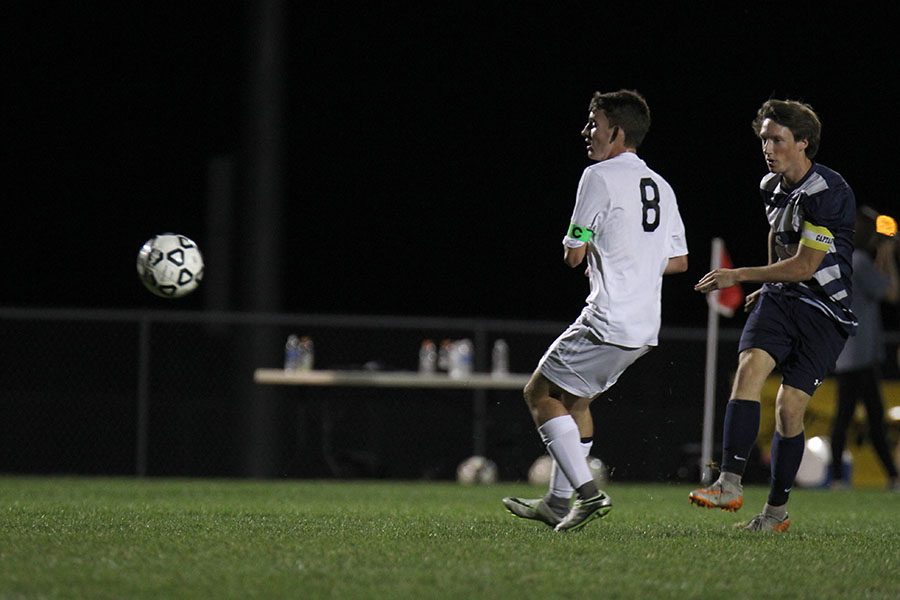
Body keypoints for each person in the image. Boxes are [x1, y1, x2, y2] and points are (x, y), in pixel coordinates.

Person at [502, 89, 689, 532]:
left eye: (593, 123)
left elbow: (574, 252)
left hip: (608, 318)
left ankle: (588, 495)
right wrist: (634, 259)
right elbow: (679, 261)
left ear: (617, 131)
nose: (587, 131)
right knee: (575, 400)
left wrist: (590, 246)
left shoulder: (598, 176)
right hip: (644, 326)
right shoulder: (661, 185)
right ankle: (555, 502)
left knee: (539, 395)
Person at [690, 99, 857, 532]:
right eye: (764, 138)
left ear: (803, 143)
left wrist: (741, 275)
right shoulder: (771, 185)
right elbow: (776, 232)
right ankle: (728, 483)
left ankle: (776, 513)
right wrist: (767, 284)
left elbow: (805, 265)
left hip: (825, 310)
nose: (767, 146)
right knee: (748, 369)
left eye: (777, 139)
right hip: (783, 299)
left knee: (789, 410)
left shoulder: (829, 192)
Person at [830, 207, 899, 490]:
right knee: (867, 418)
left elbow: (882, 288)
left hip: (851, 353)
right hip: (858, 355)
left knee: (853, 416)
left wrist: (883, 254)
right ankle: (890, 477)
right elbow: (892, 293)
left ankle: (841, 477)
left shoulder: (852, 260)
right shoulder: (858, 260)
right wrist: (889, 253)